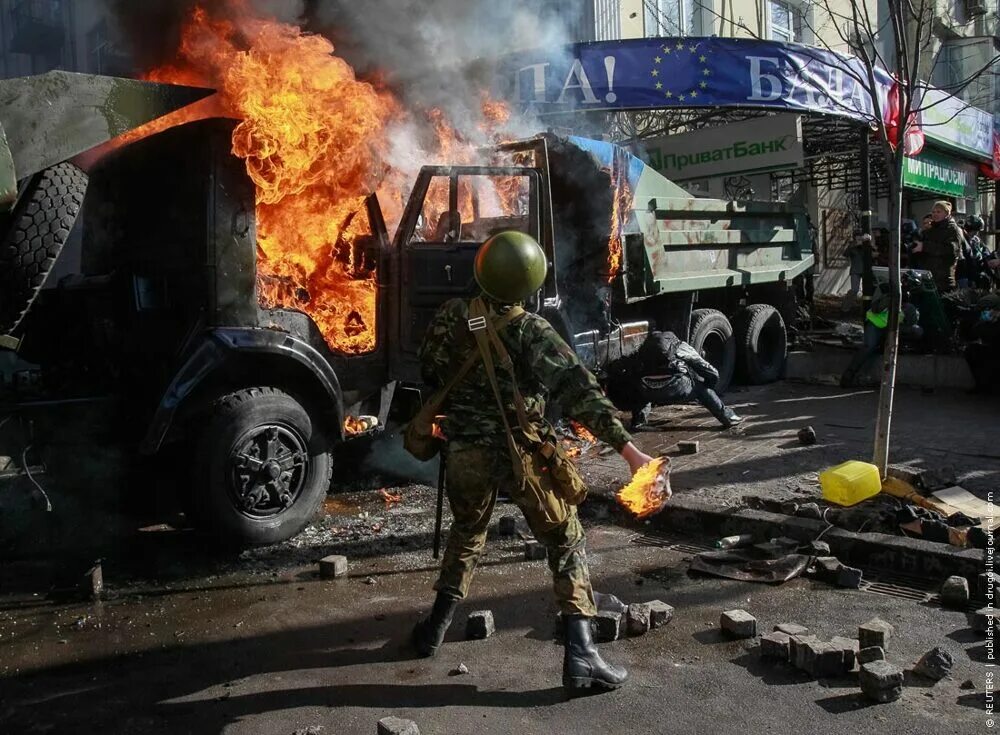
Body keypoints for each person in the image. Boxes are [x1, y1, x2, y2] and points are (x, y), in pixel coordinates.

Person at [413, 230, 653, 693]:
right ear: (531, 283)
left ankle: (433, 630)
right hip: (524, 456)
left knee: (466, 535)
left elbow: (428, 369)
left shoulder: (448, 317)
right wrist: (629, 449)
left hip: (464, 452)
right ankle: (582, 656)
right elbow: (579, 392)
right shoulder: (531, 330)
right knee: (566, 540)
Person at [605, 331, 744, 430]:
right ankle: (728, 418)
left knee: (639, 385)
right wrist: (709, 386)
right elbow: (709, 370)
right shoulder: (680, 346)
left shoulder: (643, 350)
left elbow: (621, 366)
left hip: (648, 390)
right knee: (702, 390)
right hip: (678, 388)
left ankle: (638, 423)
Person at [840, 276, 923, 388]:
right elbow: (876, 309)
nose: (906, 292)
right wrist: (889, 299)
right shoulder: (886, 290)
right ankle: (849, 375)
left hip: (893, 327)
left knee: (917, 331)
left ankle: (864, 375)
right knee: (868, 347)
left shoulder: (910, 305)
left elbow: (912, 323)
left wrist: (907, 309)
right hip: (876, 324)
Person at [910, 201, 964, 292]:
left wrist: (925, 246)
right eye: (933, 212)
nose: (935, 214)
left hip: (944, 280)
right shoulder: (931, 230)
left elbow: (951, 250)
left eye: (939, 212)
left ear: (947, 213)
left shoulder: (953, 230)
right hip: (928, 277)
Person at [843, 230, 871, 309]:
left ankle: (864, 308)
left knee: (866, 291)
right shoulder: (852, 245)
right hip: (855, 270)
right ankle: (846, 306)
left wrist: (866, 243)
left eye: (860, 236)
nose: (858, 238)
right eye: (857, 236)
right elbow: (845, 254)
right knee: (854, 290)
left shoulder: (865, 244)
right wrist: (854, 245)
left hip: (865, 271)